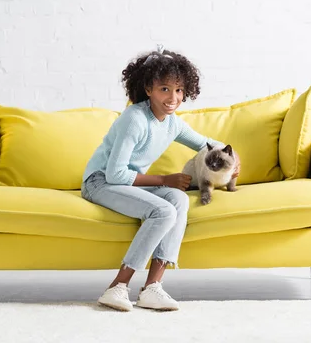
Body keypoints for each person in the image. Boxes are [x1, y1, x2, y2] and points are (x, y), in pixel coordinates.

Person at [81, 45, 238, 312]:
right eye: (164, 89)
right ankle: (117, 287)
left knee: (178, 200)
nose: (173, 97)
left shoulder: (172, 122)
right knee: (164, 210)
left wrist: (235, 162)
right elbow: (115, 174)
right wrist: (165, 179)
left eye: (178, 90)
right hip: (100, 181)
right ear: (148, 89)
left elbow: (208, 144)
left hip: (128, 181)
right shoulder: (135, 119)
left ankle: (153, 287)